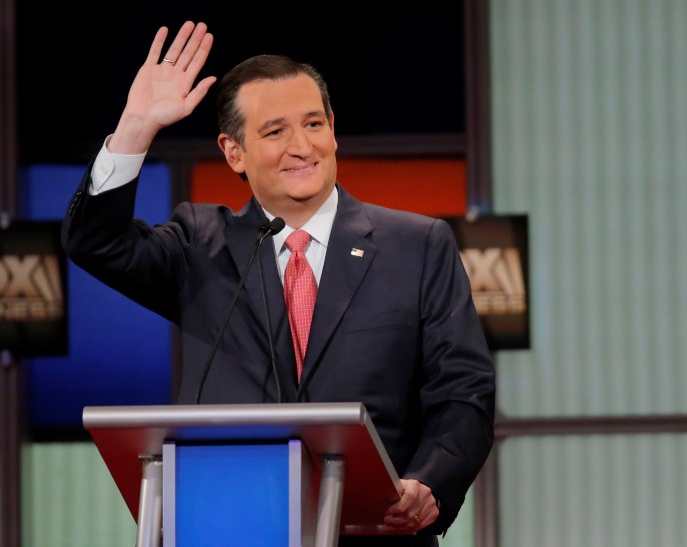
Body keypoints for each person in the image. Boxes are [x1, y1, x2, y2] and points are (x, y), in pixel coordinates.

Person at [62, 20, 495, 546]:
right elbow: (94, 243)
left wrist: (430, 482)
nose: (302, 146)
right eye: (275, 131)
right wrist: (134, 127)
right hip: (230, 527)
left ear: (333, 128)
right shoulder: (200, 245)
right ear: (233, 151)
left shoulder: (418, 244)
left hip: (374, 532)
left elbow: (463, 391)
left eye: (314, 124)